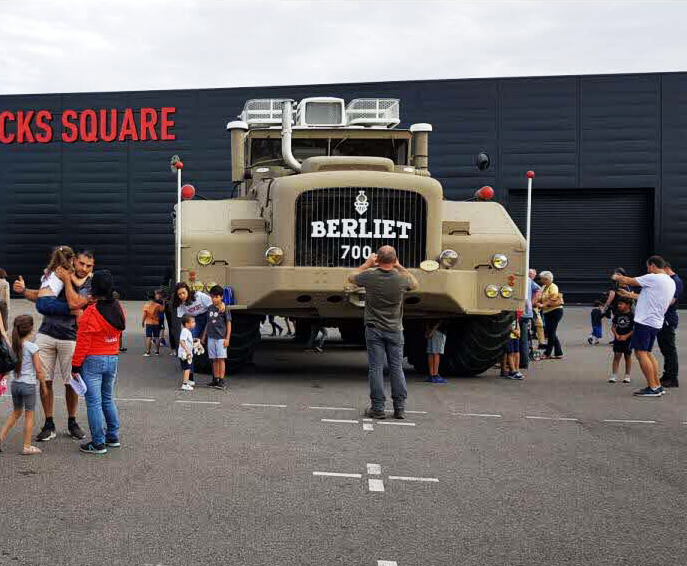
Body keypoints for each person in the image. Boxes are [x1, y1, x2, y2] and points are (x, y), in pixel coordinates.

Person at [13, 249, 95, 442]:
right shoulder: (58, 273)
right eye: (81, 263)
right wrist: (24, 291)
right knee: (44, 380)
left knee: (71, 382)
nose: (84, 268)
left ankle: (72, 421)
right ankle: (49, 424)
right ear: (74, 261)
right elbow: (43, 296)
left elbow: (76, 303)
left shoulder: (91, 284)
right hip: (46, 334)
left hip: (71, 337)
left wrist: (67, 280)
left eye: (89, 265)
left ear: (93, 266)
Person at [348, 246, 419, 420]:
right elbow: (415, 284)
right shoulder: (402, 279)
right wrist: (399, 266)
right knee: (396, 369)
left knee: (376, 368)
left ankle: (378, 408)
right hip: (395, 329)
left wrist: (366, 264)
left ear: (377, 260)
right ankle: (399, 408)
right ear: (394, 260)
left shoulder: (370, 276)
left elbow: (351, 277)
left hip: (374, 329)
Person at [70, 270, 126, 454]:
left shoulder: (91, 312)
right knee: (107, 399)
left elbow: (83, 342)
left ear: (94, 289)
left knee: (93, 402)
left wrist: (75, 365)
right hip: (112, 357)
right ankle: (112, 436)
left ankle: (98, 442)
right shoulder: (119, 308)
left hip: (93, 359)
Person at [613, 255, 675, 397]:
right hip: (655, 322)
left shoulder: (654, 277)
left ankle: (652, 387)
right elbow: (648, 296)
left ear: (653, 265)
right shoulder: (669, 281)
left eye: (648, 267)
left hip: (645, 321)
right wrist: (628, 294)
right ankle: (657, 385)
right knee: (647, 353)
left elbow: (628, 280)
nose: (647, 270)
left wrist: (616, 277)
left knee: (640, 353)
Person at [0, 315, 47, 455]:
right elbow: (39, 370)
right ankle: (27, 446)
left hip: (15, 384)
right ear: (31, 329)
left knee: (16, 412)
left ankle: (0, 437)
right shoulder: (33, 347)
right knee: (29, 415)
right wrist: (43, 385)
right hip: (28, 385)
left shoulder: (12, 346)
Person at [35, 246, 87, 317]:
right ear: (72, 259)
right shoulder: (65, 271)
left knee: (60, 310)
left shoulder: (49, 270)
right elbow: (78, 283)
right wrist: (88, 276)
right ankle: (81, 328)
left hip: (38, 303)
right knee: (78, 310)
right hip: (49, 302)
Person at [201, 285, 232, 390]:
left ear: (221, 297)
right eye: (212, 297)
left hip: (221, 338)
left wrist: (227, 339)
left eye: (216, 297)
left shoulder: (224, 309)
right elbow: (208, 323)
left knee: (221, 359)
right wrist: (204, 337)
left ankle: (222, 380)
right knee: (213, 359)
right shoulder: (210, 308)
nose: (213, 299)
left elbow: (228, 324)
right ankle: (215, 379)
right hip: (211, 337)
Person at [658, 262, 683, 388]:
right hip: (663, 319)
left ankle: (673, 379)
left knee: (669, 350)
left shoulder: (675, 281)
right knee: (665, 349)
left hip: (668, 319)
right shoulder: (670, 280)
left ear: (666, 269)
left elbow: (671, 301)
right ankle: (667, 375)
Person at [535, 271, 564, 360]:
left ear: (546, 279)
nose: (540, 280)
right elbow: (539, 297)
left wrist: (543, 305)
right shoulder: (544, 287)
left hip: (555, 311)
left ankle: (547, 353)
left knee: (550, 333)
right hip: (548, 312)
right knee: (551, 332)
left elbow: (554, 297)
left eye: (541, 279)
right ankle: (558, 353)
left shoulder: (553, 286)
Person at [519, 269, 542, 368]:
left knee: (513, 337)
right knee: (524, 338)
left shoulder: (518, 278)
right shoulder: (529, 280)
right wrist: (531, 303)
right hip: (526, 312)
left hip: (518, 312)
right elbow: (538, 290)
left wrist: (532, 302)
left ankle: (508, 361)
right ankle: (524, 362)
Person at [609, 297, 634, 383]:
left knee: (627, 357)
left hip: (628, 339)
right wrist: (616, 335)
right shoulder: (617, 314)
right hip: (618, 339)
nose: (618, 305)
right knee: (616, 356)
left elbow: (635, 329)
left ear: (628, 305)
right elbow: (613, 327)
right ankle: (614, 375)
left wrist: (626, 336)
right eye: (618, 304)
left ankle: (627, 376)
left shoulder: (632, 315)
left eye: (621, 304)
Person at [142, 291, 164, 356]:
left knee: (149, 337)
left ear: (148, 297)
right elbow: (162, 310)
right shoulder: (157, 305)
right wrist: (163, 303)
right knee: (157, 337)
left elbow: (144, 315)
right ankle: (157, 352)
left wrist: (142, 322)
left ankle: (148, 352)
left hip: (149, 323)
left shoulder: (146, 305)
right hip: (156, 323)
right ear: (154, 297)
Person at [178, 315, 196, 391]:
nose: (194, 323)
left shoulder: (187, 331)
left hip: (184, 354)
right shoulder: (185, 331)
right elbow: (182, 341)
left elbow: (188, 340)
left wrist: (195, 340)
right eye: (193, 322)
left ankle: (187, 380)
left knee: (186, 368)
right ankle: (184, 384)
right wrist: (187, 351)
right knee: (187, 368)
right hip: (185, 354)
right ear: (187, 324)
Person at [504, 314, 524, 380]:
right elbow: (507, 325)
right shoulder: (508, 314)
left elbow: (517, 322)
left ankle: (517, 370)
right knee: (510, 353)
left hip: (515, 336)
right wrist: (515, 331)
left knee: (517, 353)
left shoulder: (514, 314)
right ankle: (512, 371)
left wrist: (519, 331)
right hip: (509, 335)